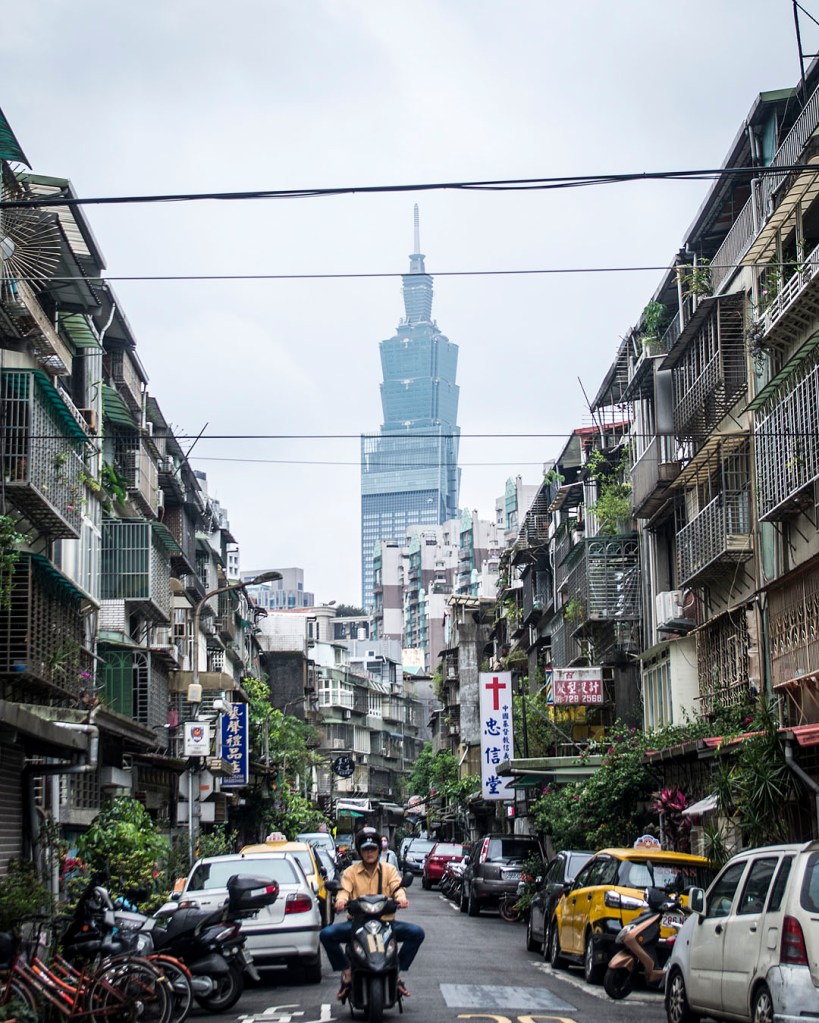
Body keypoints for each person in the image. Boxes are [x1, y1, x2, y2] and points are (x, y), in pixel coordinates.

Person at [320, 826, 425, 1002]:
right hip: (357, 925)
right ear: (360, 852)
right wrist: (341, 900)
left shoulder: (389, 870)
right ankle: (347, 974)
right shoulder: (350, 872)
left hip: (386, 924)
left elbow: (398, 887)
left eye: (373, 849)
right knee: (326, 934)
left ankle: (396, 973)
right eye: (365, 849)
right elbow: (344, 890)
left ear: (378, 850)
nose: (369, 853)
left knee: (417, 933)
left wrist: (401, 898)